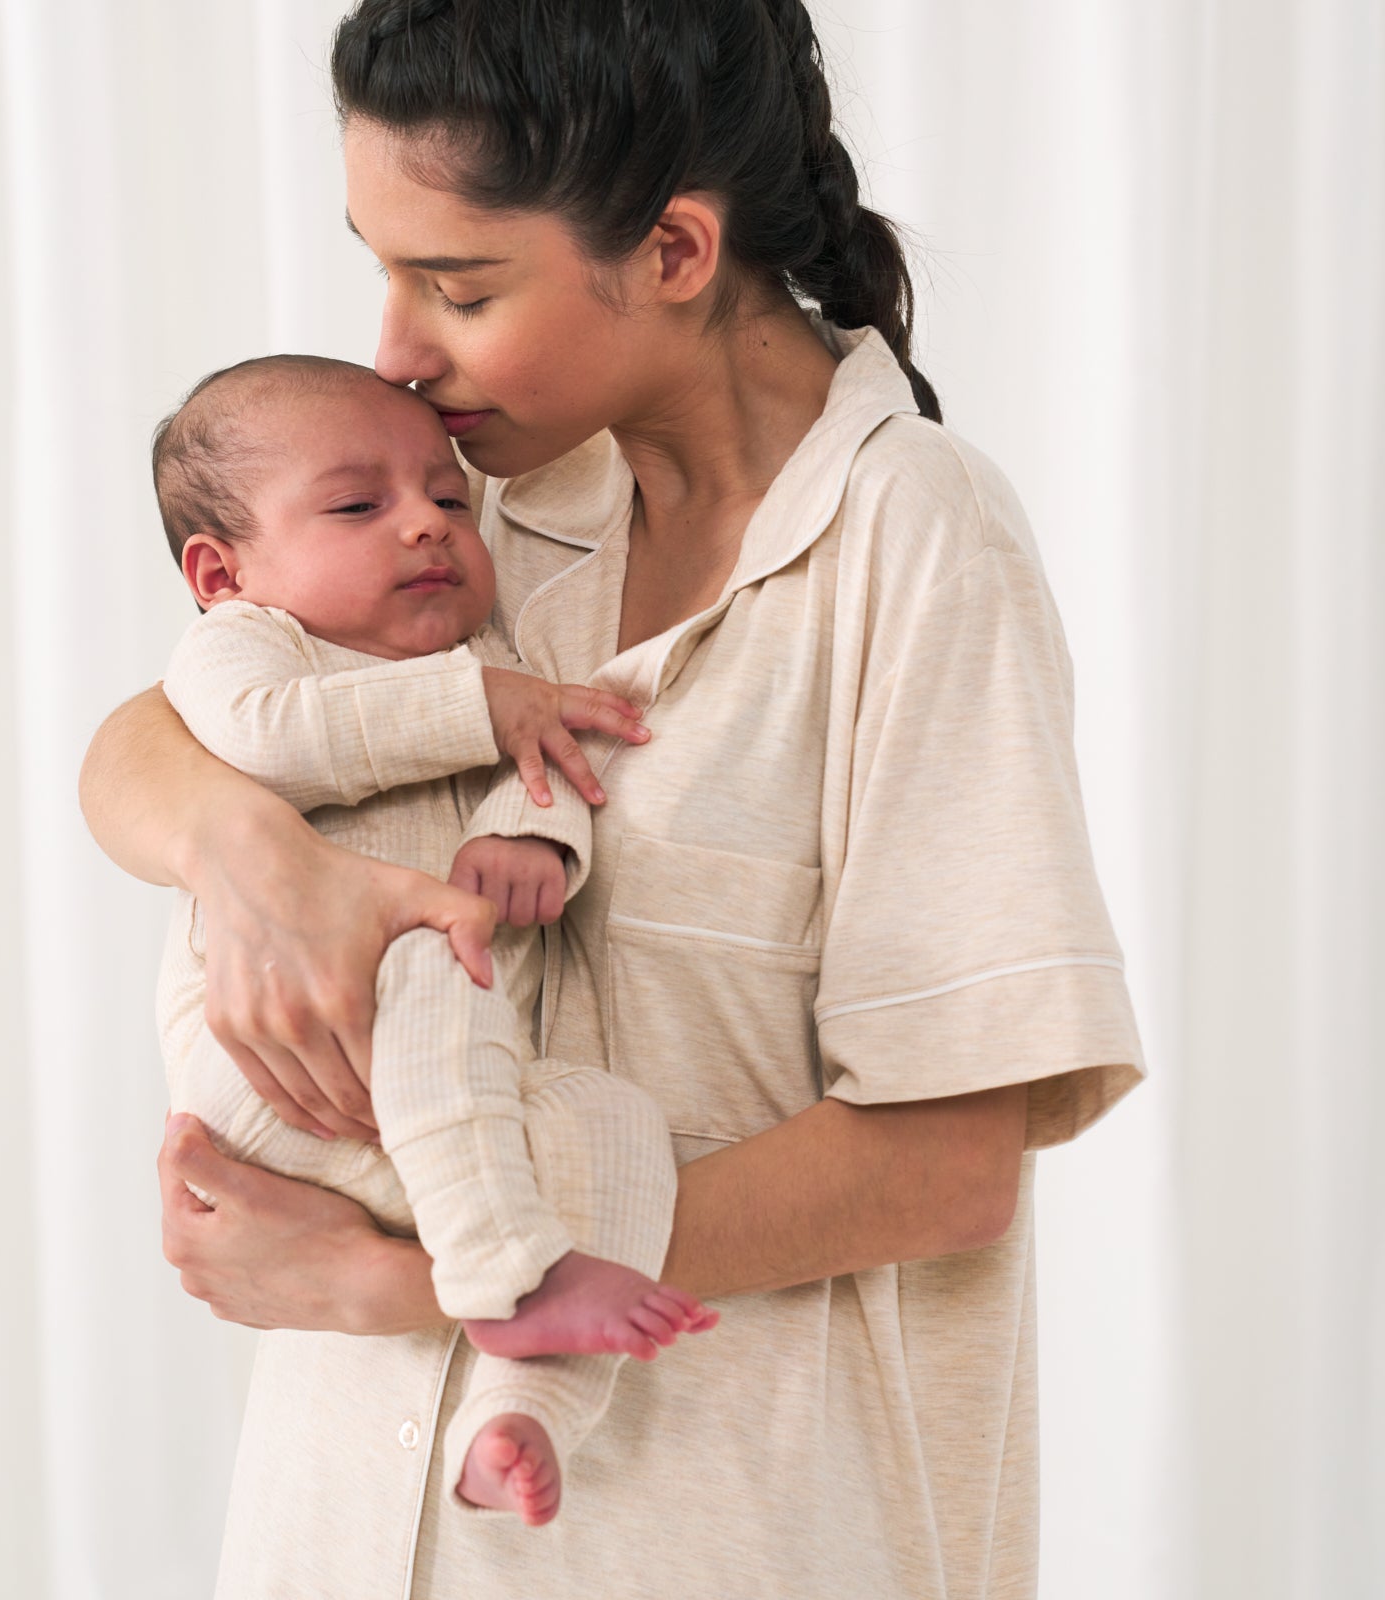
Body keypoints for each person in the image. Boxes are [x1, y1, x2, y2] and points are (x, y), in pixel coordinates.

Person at [80, 0, 1146, 1592]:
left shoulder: (913, 547)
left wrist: (414, 1282)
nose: (393, 351)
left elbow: (951, 1157)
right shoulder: (469, 501)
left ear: (673, 251)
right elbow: (160, 726)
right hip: (341, 1531)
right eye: (381, 266)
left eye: (457, 285)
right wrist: (244, 851)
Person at [151, 352, 714, 1526]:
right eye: (360, 506)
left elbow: (559, 764)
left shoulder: (496, 660)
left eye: (450, 498)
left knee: (610, 1126)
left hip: (446, 1096)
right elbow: (272, 738)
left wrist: (535, 837)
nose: (426, 526)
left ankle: (517, 1415)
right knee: (426, 949)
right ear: (222, 569)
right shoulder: (253, 650)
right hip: (279, 1071)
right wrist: (482, 706)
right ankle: (498, 1269)